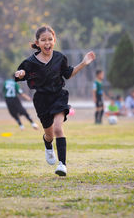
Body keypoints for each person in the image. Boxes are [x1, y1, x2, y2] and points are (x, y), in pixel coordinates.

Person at [15, 25, 95, 176]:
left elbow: (69, 73)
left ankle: (62, 165)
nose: (47, 43)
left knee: (58, 128)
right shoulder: (30, 62)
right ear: (37, 43)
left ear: (54, 40)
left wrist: (84, 63)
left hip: (58, 96)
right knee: (50, 135)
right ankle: (47, 144)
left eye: (50, 39)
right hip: (41, 100)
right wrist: (20, 73)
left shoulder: (60, 57)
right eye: (43, 40)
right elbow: (22, 73)